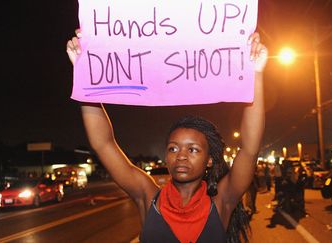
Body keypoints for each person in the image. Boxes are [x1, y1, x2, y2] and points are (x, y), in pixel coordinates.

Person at [67, 30, 267, 243]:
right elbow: (103, 143)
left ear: (209, 159)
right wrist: (84, 74)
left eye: (193, 149)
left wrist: (256, 73)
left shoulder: (222, 201)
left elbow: (249, 148)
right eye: (173, 148)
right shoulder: (147, 196)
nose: (181, 156)